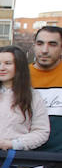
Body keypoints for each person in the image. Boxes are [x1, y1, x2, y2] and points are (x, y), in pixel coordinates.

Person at [28, 25, 62, 153]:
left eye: (52, 44)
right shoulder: (19, 76)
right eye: (40, 43)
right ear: (34, 46)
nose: (44, 50)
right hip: (22, 156)